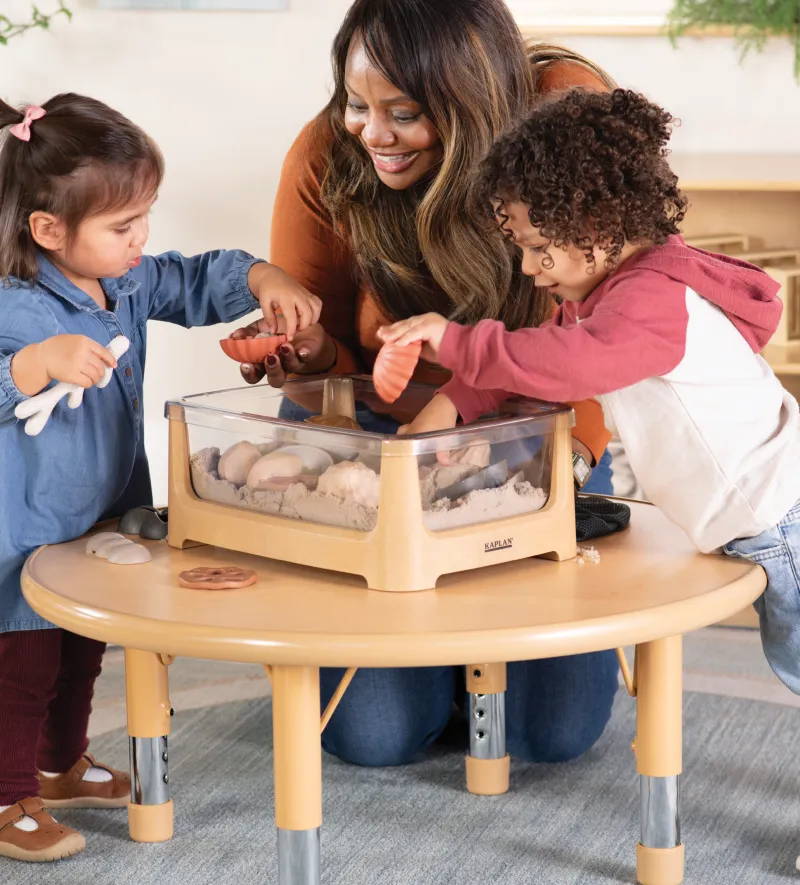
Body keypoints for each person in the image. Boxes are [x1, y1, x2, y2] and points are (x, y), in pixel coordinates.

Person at [233, 0, 621, 769]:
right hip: (380, 438)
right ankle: (422, 658)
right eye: (356, 103)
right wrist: (305, 354)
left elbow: (611, 326)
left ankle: (447, 652)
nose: (371, 133)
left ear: (470, 96)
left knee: (553, 735)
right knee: (374, 737)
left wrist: (565, 461)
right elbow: (329, 372)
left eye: (403, 112)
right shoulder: (325, 156)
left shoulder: (562, 111)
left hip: (532, 424)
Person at [380, 87, 800, 701]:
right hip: (758, 516)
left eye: (537, 249)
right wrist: (439, 415)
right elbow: (524, 358)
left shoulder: (650, 301)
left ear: (597, 229)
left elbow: (565, 367)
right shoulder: (607, 296)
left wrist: (453, 340)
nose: (527, 269)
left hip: (780, 516)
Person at [0, 93, 320, 862]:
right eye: (122, 225)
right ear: (48, 231)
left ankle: (61, 762)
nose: (142, 237)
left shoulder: (131, 279)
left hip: (105, 509)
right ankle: (8, 793)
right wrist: (33, 365)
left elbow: (198, 276)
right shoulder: (14, 304)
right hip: (25, 525)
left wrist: (264, 277)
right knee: (24, 664)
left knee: (84, 648)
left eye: (145, 214)